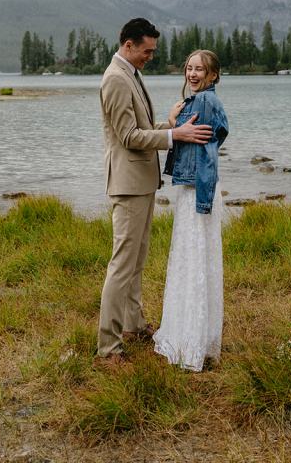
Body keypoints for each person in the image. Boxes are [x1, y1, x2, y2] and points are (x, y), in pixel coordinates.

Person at [96, 18, 212, 367]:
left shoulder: (131, 73)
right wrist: (175, 137)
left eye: (153, 51)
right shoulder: (116, 79)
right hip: (128, 186)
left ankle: (132, 325)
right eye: (147, 51)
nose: (151, 56)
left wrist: (172, 126)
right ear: (128, 45)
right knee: (122, 265)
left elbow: (142, 129)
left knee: (136, 261)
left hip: (142, 183)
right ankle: (108, 348)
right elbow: (129, 137)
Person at [153, 49, 229, 372]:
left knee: (196, 256)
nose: (193, 74)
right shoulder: (192, 102)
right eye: (189, 68)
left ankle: (193, 341)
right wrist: (174, 123)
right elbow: (189, 138)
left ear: (213, 76)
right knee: (189, 256)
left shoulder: (207, 102)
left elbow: (218, 133)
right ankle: (187, 331)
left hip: (198, 188)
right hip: (190, 186)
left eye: (200, 69)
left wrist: (173, 124)